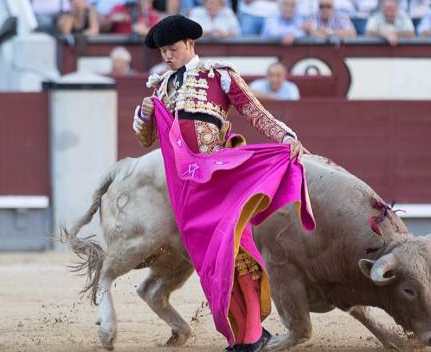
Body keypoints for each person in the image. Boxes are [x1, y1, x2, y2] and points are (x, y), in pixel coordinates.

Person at [132, 15, 314, 352]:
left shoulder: (219, 75)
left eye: (172, 49)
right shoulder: (161, 87)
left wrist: (286, 136)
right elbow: (147, 139)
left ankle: (250, 335)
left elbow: (254, 112)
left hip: (220, 178)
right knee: (211, 262)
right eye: (162, 52)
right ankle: (249, 331)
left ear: (190, 44)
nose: (167, 57)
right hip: (186, 189)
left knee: (238, 252)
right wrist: (144, 114)